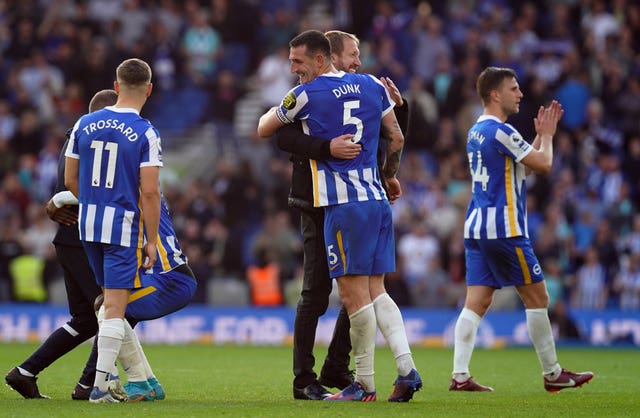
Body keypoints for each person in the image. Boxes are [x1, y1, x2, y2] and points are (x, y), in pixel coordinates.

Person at [258, 29, 420, 402]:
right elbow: (395, 138)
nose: (293, 69)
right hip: (376, 200)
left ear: (321, 58)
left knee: (352, 297)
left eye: (298, 62)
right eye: (355, 53)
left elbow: (267, 129)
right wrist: (389, 174)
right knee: (374, 290)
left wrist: (279, 110)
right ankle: (406, 369)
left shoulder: (307, 95)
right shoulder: (372, 87)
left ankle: (363, 384)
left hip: (342, 206)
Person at [450, 66, 594, 393]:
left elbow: (517, 172)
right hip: (504, 228)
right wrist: (547, 136)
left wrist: (539, 139)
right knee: (538, 296)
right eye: (514, 89)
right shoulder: (502, 131)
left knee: (477, 301)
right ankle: (553, 373)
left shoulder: (476, 131)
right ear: (495, 94)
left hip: (476, 227)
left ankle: (459, 375)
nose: (521, 94)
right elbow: (543, 165)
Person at [5, 89, 117, 400]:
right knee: (114, 310)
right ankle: (89, 385)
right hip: (84, 238)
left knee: (85, 321)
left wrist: (55, 202)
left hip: (70, 238)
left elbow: (69, 186)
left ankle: (24, 373)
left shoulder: (75, 137)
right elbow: (89, 187)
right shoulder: (94, 139)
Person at [64, 58, 162, 403]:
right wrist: (151, 240)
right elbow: (149, 192)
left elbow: (70, 180)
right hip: (122, 228)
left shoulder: (84, 123)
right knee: (115, 309)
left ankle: (126, 381)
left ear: (116, 86)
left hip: (89, 224)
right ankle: (101, 387)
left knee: (109, 304)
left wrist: (94, 203)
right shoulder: (147, 132)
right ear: (148, 89)